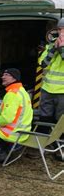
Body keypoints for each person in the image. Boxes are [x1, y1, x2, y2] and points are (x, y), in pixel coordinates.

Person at [38, 18, 64, 161]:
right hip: (47, 89)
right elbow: (43, 64)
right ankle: (40, 147)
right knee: (44, 118)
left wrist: (61, 48)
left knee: (61, 121)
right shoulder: (50, 46)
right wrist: (53, 49)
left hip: (62, 91)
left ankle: (60, 149)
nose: (61, 33)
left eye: (63, 30)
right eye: (59, 30)